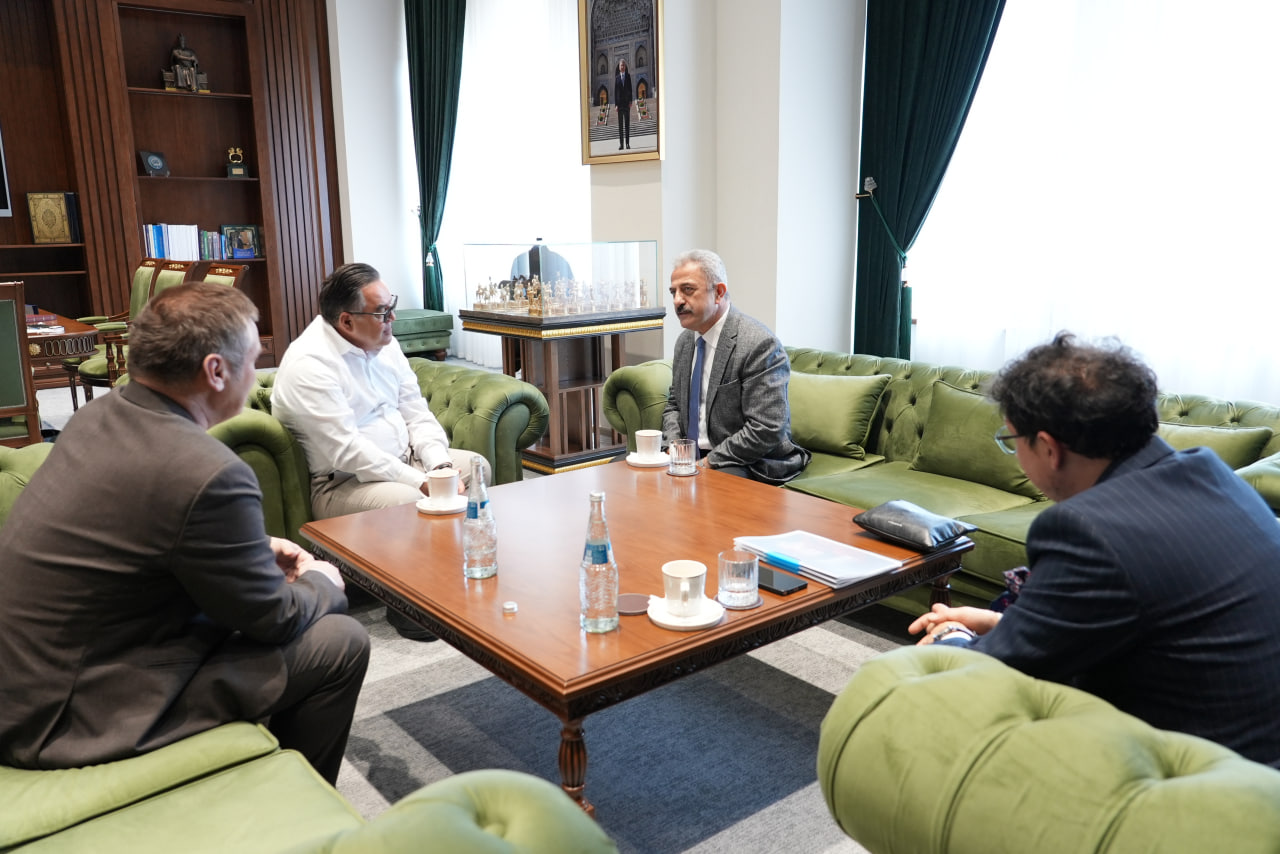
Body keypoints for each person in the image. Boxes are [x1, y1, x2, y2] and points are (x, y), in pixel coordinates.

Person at [0, 283, 369, 785]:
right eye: (255, 359)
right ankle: (289, 809)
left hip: (24, 689)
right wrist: (323, 580)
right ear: (216, 371)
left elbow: (133, 533)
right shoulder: (209, 469)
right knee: (339, 639)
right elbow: (275, 620)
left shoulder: (98, 417)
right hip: (71, 719)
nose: (259, 373)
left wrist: (249, 550)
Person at [909, 332, 1280, 769]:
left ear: (1048, 448)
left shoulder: (1088, 529)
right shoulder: (1210, 472)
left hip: (1207, 785)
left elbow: (994, 675)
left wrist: (952, 637)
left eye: (1012, 442)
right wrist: (1000, 623)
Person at [271, 262, 489, 640]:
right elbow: (347, 451)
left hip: (406, 460)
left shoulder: (384, 343)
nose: (392, 319)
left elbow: (416, 410)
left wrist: (438, 465)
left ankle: (455, 580)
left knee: (474, 469)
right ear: (346, 321)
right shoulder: (310, 363)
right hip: (342, 484)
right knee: (407, 499)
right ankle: (408, 605)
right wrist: (421, 482)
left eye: (392, 307)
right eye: (381, 312)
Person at [661, 249, 809, 484]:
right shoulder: (686, 341)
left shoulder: (758, 344)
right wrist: (674, 448)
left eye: (687, 290)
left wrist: (708, 462)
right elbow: (674, 404)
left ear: (718, 292)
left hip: (747, 460)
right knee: (626, 469)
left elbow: (767, 428)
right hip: (693, 456)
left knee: (711, 485)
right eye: (674, 292)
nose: (677, 300)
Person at [614, 59, 633, 150]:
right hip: (620, 105)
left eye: (624, 65)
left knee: (627, 125)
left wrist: (630, 101)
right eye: (621, 65)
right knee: (620, 126)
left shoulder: (628, 76)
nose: (622, 67)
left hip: (626, 104)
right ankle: (621, 144)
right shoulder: (617, 78)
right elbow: (616, 92)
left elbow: (630, 89)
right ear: (619, 67)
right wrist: (616, 105)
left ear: (625, 67)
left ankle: (627, 144)